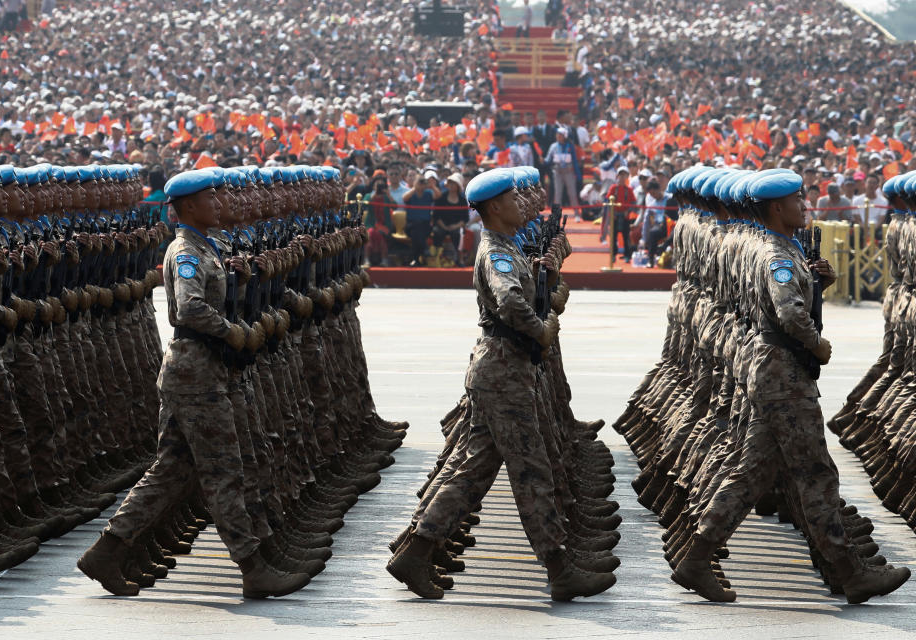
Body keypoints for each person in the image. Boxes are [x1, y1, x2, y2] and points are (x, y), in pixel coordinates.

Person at [673, 170, 911, 604]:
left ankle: (696, 557)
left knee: (752, 472)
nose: (806, 205)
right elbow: (788, 313)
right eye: (798, 200)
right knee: (816, 472)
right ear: (777, 209)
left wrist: (819, 283)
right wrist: (818, 344)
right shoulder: (777, 256)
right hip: (783, 370)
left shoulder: (778, 249)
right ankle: (850, 572)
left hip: (770, 367)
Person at [77, 169, 310, 599]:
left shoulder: (205, 247)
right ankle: (252, 566)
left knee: (171, 470)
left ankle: (106, 551)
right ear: (187, 207)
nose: (218, 203)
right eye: (209, 198)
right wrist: (232, 332)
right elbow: (189, 309)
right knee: (223, 470)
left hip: (200, 370)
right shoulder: (185, 251)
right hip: (195, 373)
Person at [385, 167, 614, 601]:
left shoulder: (506, 247)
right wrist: (542, 327)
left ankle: (416, 551)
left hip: (504, 369)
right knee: (532, 470)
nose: (520, 204)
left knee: (473, 469)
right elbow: (509, 300)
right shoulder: (497, 253)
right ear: (494, 207)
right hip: (504, 371)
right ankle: (559, 566)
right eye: (511, 199)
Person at [545, 128, 581, 221]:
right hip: (557, 172)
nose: (558, 136)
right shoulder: (553, 146)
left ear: (564, 136)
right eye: (557, 134)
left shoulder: (570, 146)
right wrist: (543, 161)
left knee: (572, 193)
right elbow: (548, 159)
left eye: (560, 135)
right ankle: (556, 215)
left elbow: (575, 161)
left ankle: (577, 214)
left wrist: (578, 174)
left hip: (568, 172)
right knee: (558, 194)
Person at [433, 173, 469, 265]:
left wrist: (455, 226)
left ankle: (459, 258)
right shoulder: (441, 197)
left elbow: (465, 219)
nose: (452, 185)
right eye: (450, 183)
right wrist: (444, 226)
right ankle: (436, 257)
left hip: (456, 226)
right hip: (442, 224)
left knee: (458, 233)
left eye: (454, 183)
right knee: (437, 232)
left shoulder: (462, 200)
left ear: (458, 186)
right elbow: (436, 215)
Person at [364, 175, 397, 266]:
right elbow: (364, 206)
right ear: (373, 186)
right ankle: (367, 259)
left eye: (381, 185)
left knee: (379, 233)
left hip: (384, 225)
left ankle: (383, 259)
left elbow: (395, 207)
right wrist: (374, 195)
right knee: (371, 233)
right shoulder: (368, 196)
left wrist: (389, 195)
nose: (378, 187)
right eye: (377, 185)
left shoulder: (386, 197)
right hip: (371, 224)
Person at [402, 176, 435, 266]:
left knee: (416, 233)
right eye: (419, 182)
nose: (421, 185)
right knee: (417, 228)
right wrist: (415, 187)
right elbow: (404, 198)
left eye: (422, 183)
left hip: (425, 226)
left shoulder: (428, 193)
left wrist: (432, 186)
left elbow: (438, 196)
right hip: (411, 224)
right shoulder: (411, 193)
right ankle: (425, 249)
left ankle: (415, 259)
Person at [605, 167, 636, 261]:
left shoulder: (629, 189)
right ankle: (613, 255)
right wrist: (612, 212)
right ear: (617, 176)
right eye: (620, 175)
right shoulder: (613, 188)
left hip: (625, 216)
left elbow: (633, 203)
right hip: (614, 216)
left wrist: (629, 210)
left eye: (624, 175)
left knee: (626, 236)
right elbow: (608, 201)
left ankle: (627, 255)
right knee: (613, 237)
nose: (622, 177)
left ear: (627, 176)